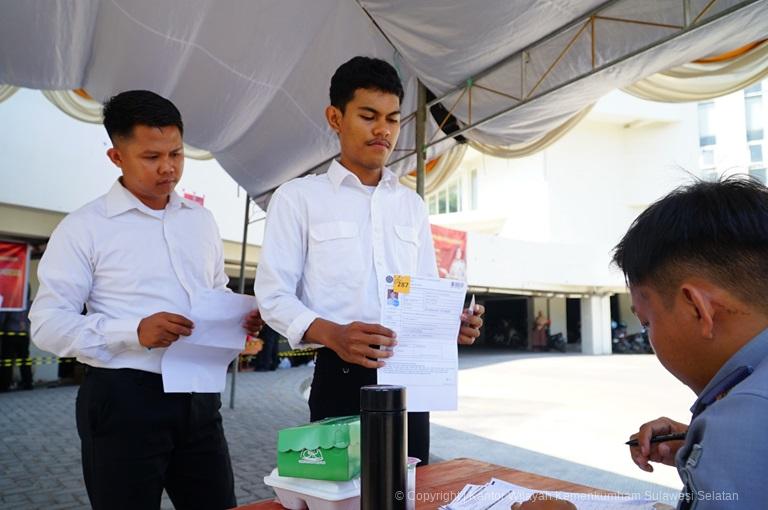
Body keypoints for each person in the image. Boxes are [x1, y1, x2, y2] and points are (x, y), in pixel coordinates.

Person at [29, 90, 263, 510]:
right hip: (124, 399)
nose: (168, 168)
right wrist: (133, 331)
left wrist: (237, 322)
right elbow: (47, 323)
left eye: (176, 153)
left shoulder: (202, 221)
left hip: (198, 398)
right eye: (152, 157)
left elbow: (215, 293)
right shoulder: (85, 227)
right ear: (116, 157)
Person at [255, 56, 484, 465]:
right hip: (339, 375)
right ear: (335, 117)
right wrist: (333, 334)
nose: (384, 130)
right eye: (368, 115)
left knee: (408, 490)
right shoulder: (299, 198)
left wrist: (449, 324)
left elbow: (423, 291)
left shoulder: (410, 204)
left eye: (394, 119)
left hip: (410, 378)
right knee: (343, 496)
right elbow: (273, 296)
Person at [614, 177, 768, 509]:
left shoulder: (744, 420)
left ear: (697, 308)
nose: (650, 337)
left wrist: (728, 442)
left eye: (646, 323)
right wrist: (703, 448)